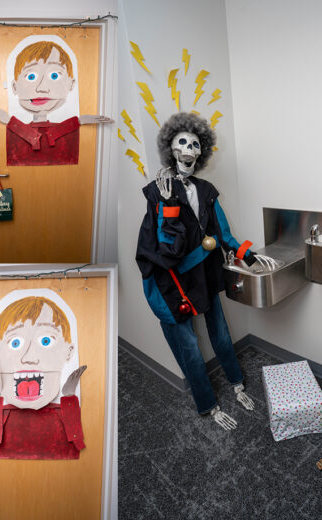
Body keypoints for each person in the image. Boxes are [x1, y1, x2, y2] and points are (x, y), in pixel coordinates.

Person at [136, 112, 275, 430]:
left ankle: (237, 382)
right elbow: (165, 245)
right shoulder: (158, 191)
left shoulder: (206, 189)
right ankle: (208, 405)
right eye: (182, 141)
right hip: (172, 278)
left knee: (221, 332)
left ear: (201, 152)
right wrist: (168, 203)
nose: (188, 147)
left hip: (204, 273)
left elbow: (222, 232)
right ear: (171, 148)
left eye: (195, 143)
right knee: (189, 347)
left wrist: (249, 257)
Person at [0, 295, 86, 459]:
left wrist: (69, 398)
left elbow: (76, 443)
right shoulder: (2, 413)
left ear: (69, 352)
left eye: (46, 341)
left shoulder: (60, 413)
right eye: (14, 343)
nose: (29, 357)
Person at [0, 39, 112, 166]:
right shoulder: (17, 130)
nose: (42, 88)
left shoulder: (64, 130)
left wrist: (80, 120)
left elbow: (49, 136)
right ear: (15, 87)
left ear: (71, 84)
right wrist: (9, 121)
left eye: (54, 76)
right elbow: (38, 137)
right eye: (31, 76)